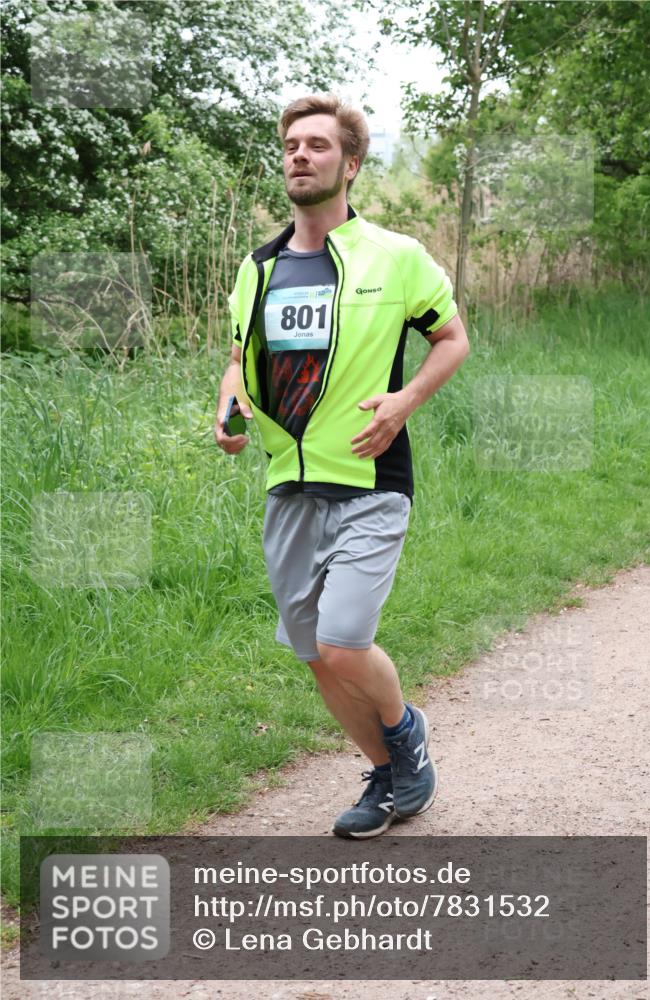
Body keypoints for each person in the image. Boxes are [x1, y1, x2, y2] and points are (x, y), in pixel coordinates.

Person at [214, 94, 470, 839]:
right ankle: (392, 780)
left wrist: (404, 402)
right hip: (287, 485)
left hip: (368, 478)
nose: (299, 154)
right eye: (291, 144)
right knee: (314, 656)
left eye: (317, 145)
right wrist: (228, 411)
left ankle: (404, 731)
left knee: (342, 640)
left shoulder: (395, 256)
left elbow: (451, 338)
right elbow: (237, 361)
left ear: (349, 165)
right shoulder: (256, 268)